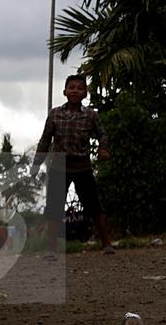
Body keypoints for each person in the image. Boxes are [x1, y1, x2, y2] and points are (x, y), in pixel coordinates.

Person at [30, 74, 114, 258]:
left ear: (85, 93)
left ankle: (107, 244)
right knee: (53, 209)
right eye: (72, 87)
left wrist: (103, 148)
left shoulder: (91, 115)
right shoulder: (55, 114)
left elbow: (103, 134)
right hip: (59, 168)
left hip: (83, 167)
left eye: (79, 88)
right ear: (65, 91)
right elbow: (45, 140)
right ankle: (51, 249)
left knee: (94, 206)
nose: (75, 90)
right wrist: (36, 164)